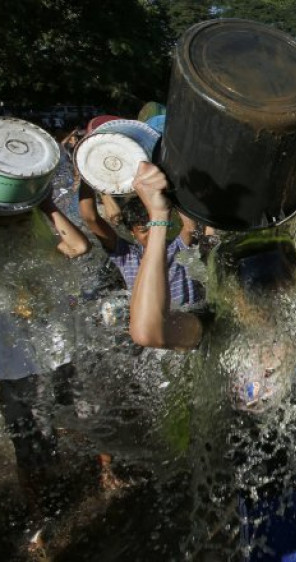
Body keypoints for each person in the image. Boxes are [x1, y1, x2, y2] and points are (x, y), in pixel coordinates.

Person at [128, 146, 296, 560]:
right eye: (252, 288)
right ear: (229, 292)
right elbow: (147, 330)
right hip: (264, 485)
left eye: (277, 281)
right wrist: (157, 220)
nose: (267, 295)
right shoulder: (216, 328)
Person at [1, 189, 90, 551]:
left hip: (57, 350)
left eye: (24, 216)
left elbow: (79, 247)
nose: (21, 221)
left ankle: (103, 474)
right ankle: (38, 517)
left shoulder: (40, 245)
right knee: (26, 442)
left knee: (83, 415)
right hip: (11, 366)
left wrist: (45, 204)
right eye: (12, 216)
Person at [78, 181, 202, 305]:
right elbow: (91, 218)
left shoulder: (178, 247)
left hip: (191, 315)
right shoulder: (127, 256)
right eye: (143, 230)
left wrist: (172, 187)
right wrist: (87, 178)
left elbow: (190, 227)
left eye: (154, 227)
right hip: (151, 321)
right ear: (132, 232)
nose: (151, 234)